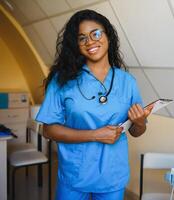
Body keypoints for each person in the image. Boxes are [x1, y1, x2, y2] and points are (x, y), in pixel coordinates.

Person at [36, 9, 153, 200]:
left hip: (112, 175)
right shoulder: (62, 80)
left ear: (108, 35)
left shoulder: (127, 81)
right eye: (82, 38)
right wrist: (95, 135)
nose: (90, 41)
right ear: (76, 45)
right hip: (75, 174)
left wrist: (140, 122)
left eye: (96, 33)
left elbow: (136, 131)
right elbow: (48, 130)